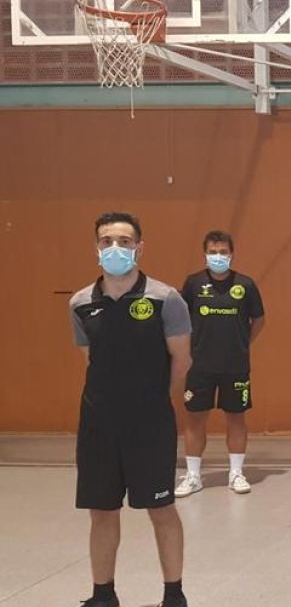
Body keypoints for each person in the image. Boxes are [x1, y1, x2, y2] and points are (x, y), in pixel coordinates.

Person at [69, 212, 192, 607]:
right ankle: (102, 594)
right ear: (96, 249)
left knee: (161, 508)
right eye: (106, 241)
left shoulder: (165, 298)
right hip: (98, 425)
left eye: (124, 241)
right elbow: (93, 357)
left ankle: (173, 594)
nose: (115, 248)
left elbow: (181, 360)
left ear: (140, 247)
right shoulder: (81, 303)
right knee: (101, 511)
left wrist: (152, 401)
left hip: (150, 424)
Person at [174, 230, 266, 498]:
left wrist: (243, 342)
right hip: (199, 365)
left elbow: (259, 319)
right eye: (213, 252)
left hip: (235, 365)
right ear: (205, 254)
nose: (218, 256)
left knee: (236, 418)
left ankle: (236, 473)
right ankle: (193, 476)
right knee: (195, 419)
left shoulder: (246, 285)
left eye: (223, 252)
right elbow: (180, 318)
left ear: (231, 254)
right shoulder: (193, 283)